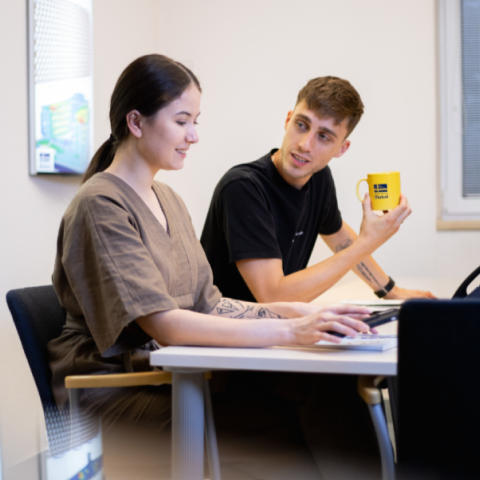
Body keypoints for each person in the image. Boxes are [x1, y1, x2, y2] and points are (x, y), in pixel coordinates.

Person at [48, 56, 384, 479]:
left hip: (171, 377)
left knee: (325, 393)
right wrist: (289, 329)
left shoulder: (167, 199)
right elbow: (164, 324)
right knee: (294, 430)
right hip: (117, 392)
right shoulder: (101, 206)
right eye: (183, 121)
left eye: (196, 122)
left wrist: (301, 313)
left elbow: (210, 303)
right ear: (136, 122)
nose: (194, 136)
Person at [200, 76, 435, 304]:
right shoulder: (243, 187)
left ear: (341, 149)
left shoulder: (318, 177)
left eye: (323, 136)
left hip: (271, 330)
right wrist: (368, 242)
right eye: (301, 125)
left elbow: (339, 236)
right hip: (225, 335)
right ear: (288, 120)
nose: (304, 144)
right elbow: (272, 297)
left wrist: (390, 292)